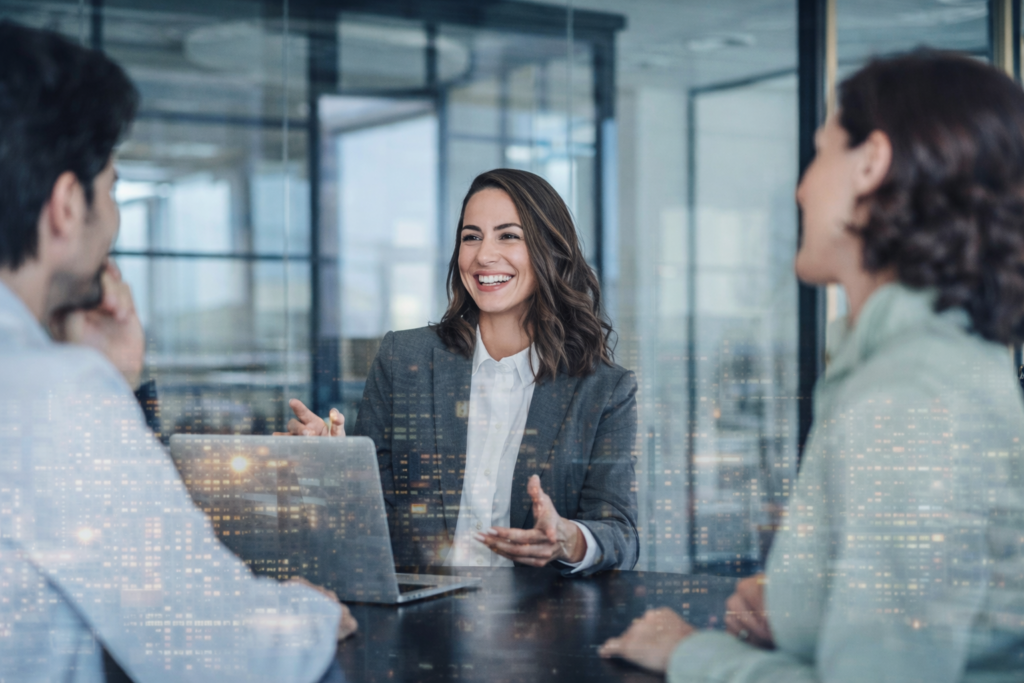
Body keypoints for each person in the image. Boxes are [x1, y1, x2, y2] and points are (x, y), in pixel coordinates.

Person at [600, 50, 1024, 681]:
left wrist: (687, 652)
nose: (802, 188)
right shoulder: (914, 365)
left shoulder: (909, 397)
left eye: (821, 154)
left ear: (871, 163)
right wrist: (813, 608)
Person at [0, 21, 355, 682]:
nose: (113, 219)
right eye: (111, 187)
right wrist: (309, 615)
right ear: (66, 206)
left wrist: (109, 380)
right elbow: (215, 648)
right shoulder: (50, 391)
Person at [286, 169, 639, 574]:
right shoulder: (404, 359)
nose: (483, 255)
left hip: (540, 609)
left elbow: (621, 534)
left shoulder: (604, 390)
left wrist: (569, 538)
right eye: (471, 237)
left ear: (552, 250)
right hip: (420, 605)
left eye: (508, 236)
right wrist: (335, 467)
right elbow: (368, 519)